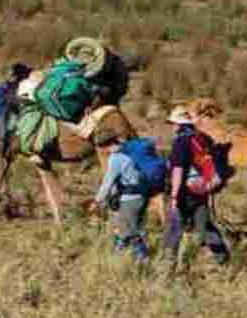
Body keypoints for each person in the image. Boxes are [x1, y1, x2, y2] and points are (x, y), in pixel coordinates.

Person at [162, 110, 231, 270]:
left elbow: (178, 170)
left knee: (174, 228)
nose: (172, 127)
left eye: (173, 124)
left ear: (178, 125)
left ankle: (166, 267)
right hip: (202, 190)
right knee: (205, 227)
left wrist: (173, 196)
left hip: (184, 193)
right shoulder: (203, 139)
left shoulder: (180, 142)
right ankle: (224, 260)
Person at [95, 136, 160, 266]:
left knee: (129, 232)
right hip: (142, 196)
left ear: (109, 145)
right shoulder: (131, 153)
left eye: (105, 148)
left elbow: (108, 183)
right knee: (132, 228)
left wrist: (97, 201)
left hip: (129, 200)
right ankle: (120, 259)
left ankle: (142, 261)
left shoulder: (116, 158)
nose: (105, 151)